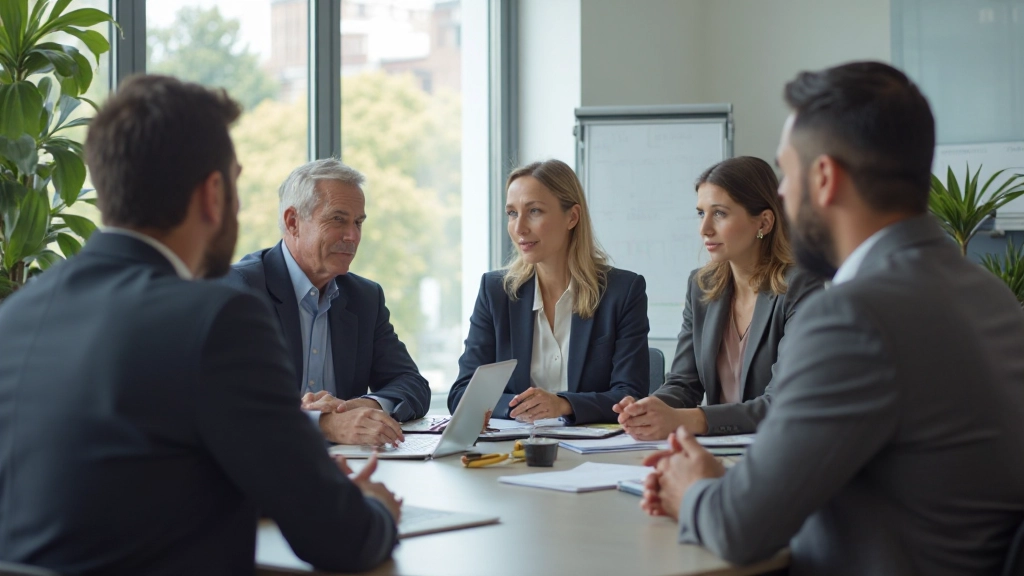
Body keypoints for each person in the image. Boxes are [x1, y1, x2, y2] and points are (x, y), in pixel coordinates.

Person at [0, 75, 400, 575]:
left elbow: (124, 491)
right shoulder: (218, 318)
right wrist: (376, 508)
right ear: (214, 193)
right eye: (234, 183)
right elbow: (340, 540)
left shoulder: (16, 315)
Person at [641, 61, 1024, 575]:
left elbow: (739, 527)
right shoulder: (991, 295)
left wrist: (691, 488)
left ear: (823, 179)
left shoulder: (853, 315)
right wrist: (726, 481)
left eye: (786, 175)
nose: (780, 196)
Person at [224, 159, 430, 447]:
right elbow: (231, 401)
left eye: (358, 222)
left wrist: (364, 406)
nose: (353, 236)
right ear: (293, 222)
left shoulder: (364, 298)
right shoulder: (241, 289)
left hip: (347, 468)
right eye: (338, 219)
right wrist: (324, 425)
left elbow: (412, 385)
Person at [613, 157, 823, 439]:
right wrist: (648, 409)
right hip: (716, 449)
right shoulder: (701, 286)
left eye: (720, 214)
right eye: (701, 213)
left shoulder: (802, 286)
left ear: (764, 221)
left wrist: (688, 420)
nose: (704, 229)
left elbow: (782, 402)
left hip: (780, 450)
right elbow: (683, 384)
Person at [448, 159, 649, 425]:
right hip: (516, 452)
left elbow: (630, 394)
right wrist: (522, 408)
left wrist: (563, 404)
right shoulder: (495, 292)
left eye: (534, 211)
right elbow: (462, 394)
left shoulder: (622, 292)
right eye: (512, 213)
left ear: (572, 217)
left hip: (593, 455)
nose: (519, 228)